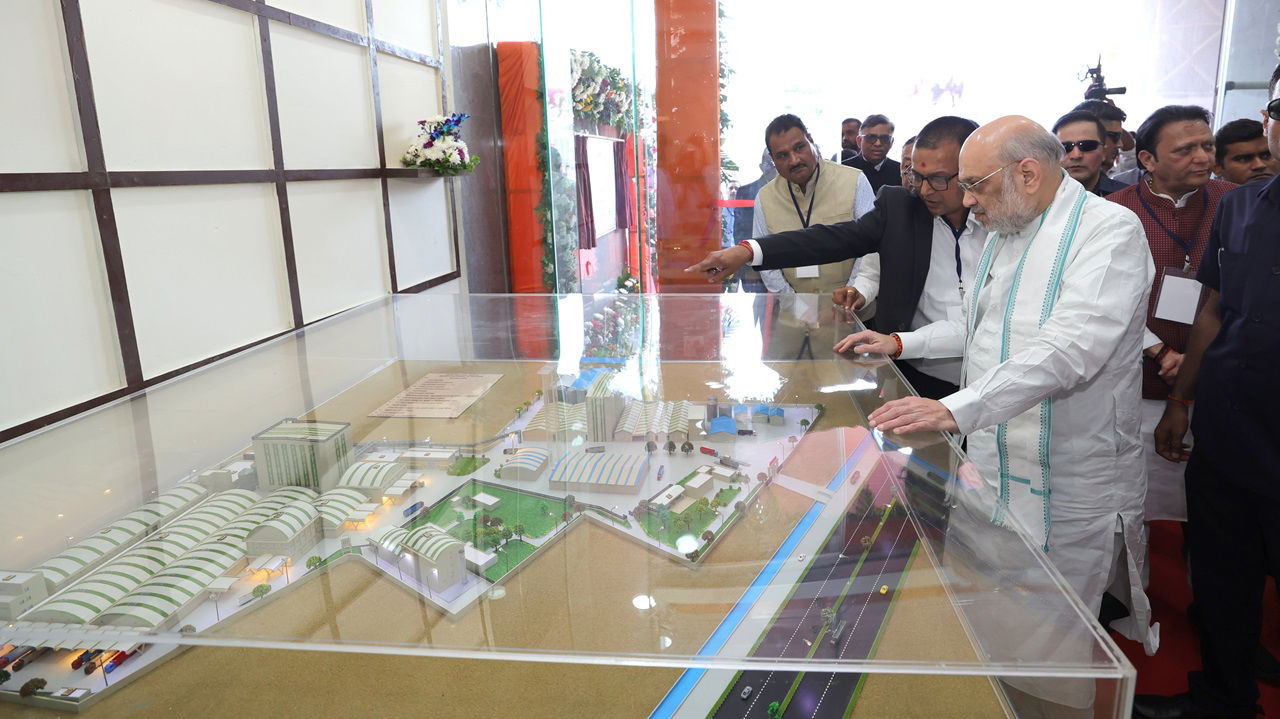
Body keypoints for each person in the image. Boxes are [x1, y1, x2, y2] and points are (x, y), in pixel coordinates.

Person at [832, 116, 1159, 659]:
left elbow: (1069, 348)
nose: (967, 201)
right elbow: (977, 325)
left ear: (1027, 174)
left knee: (1054, 641)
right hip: (991, 459)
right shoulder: (1005, 231)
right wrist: (899, 343)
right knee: (988, 620)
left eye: (974, 185)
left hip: (1066, 478)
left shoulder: (1110, 231)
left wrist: (954, 409)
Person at [1135, 64, 1280, 719]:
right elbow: (1213, 310)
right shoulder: (1243, 204)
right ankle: (1225, 696)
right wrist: (1179, 402)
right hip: (1224, 424)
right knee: (1224, 573)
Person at [685, 116, 986, 401]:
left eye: (937, 179)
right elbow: (831, 239)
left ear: (969, 170)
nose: (924, 190)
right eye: (916, 177)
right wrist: (747, 251)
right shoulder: (902, 209)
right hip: (914, 369)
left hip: (985, 375)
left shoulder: (1001, 221)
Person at [1107, 105, 1237, 524]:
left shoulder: (1236, 203)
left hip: (1220, 379)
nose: (1202, 157)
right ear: (1147, 159)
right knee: (1136, 509)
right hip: (1139, 381)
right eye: (1185, 150)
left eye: (1207, 146)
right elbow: (1105, 299)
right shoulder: (1113, 212)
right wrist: (1161, 353)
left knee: (1218, 512)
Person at [751, 114, 875, 297]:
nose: (794, 160)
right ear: (772, 159)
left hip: (853, 312)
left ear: (811, 140)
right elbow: (764, 259)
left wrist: (848, 295)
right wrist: (795, 304)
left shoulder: (854, 181)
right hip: (793, 318)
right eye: (782, 155)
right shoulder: (765, 198)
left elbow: (870, 249)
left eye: (799, 147)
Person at [730, 149, 776, 292]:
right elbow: (740, 233)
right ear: (761, 166)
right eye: (769, 162)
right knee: (760, 311)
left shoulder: (793, 190)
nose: (774, 166)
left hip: (789, 269)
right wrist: (748, 266)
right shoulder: (746, 191)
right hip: (756, 270)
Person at [1053, 110, 1127, 196]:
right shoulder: (1039, 198)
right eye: (1065, 147)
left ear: (1103, 151)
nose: (1076, 155)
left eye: (1087, 145)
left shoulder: (1128, 199)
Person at [1075, 98, 1138, 181]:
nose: (1120, 144)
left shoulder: (1119, 180)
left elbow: (1131, 153)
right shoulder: (1058, 179)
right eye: (1114, 136)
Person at [843, 114, 902, 192]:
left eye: (885, 138)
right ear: (859, 141)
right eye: (871, 137)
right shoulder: (844, 169)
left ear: (891, 142)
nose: (878, 143)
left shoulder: (900, 172)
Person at [1214, 118, 1278, 185]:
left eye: (1266, 156)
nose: (1259, 165)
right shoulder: (1209, 195)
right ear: (1217, 167)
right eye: (1243, 159)